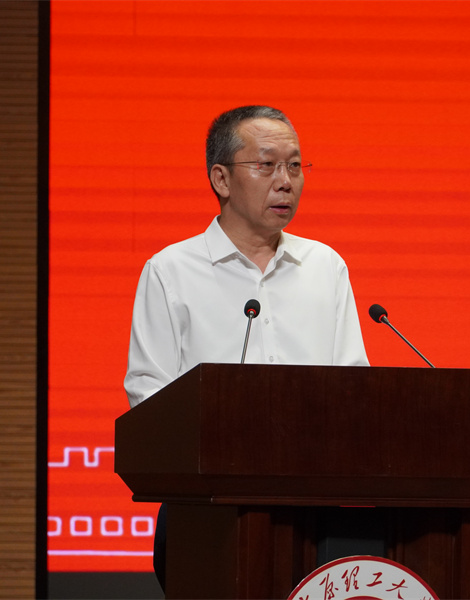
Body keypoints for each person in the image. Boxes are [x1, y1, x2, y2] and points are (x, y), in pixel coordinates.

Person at [123, 105, 369, 590]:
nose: (286, 182)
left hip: (314, 507)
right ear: (221, 178)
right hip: (206, 511)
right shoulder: (171, 270)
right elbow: (148, 394)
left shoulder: (325, 266)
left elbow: (353, 384)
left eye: (295, 166)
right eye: (267, 165)